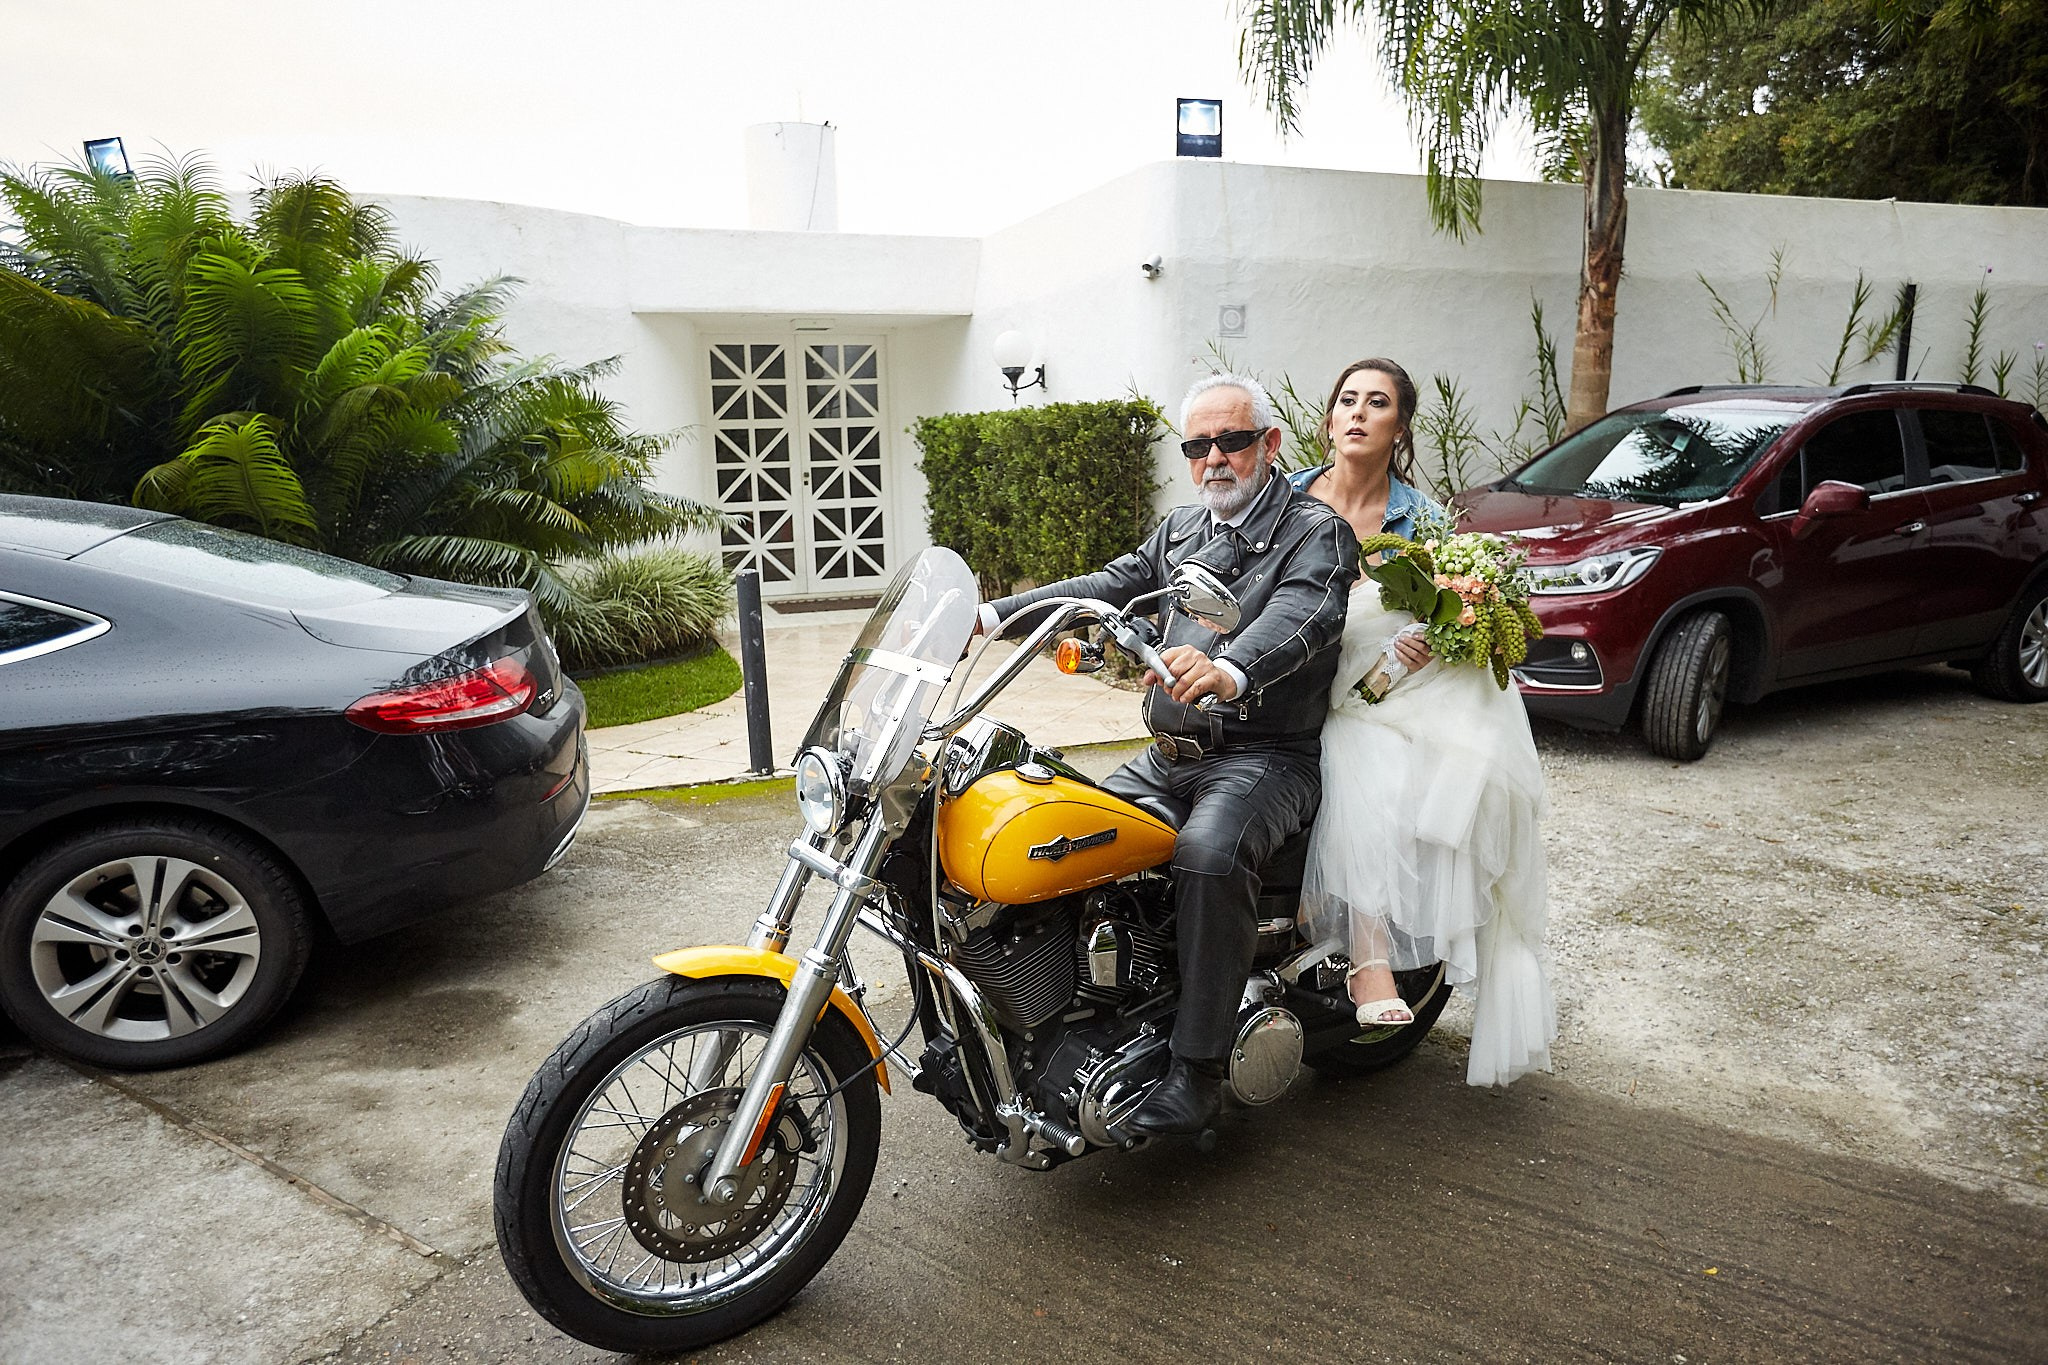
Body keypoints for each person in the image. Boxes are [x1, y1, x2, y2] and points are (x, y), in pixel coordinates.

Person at [977, 372, 1358, 1134]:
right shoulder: (1183, 530)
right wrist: (989, 615)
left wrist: (1230, 668)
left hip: (1263, 755)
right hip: (1169, 754)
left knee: (1209, 855)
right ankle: (1088, 1015)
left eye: (1232, 440)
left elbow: (1302, 613)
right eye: (1198, 445)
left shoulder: (1316, 533)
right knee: (1064, 837)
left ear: (1270, 444)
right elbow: (1107, 585)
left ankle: (1198, 1071)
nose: (1214, 457)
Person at [1292, 358, 1556, 1086]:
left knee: (1369, 761)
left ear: (1398, 426)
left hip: (1374, 686)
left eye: (1376, 403)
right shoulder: (1287, 499)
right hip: (1291, 671)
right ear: (1329, 418)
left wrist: (1414, 649)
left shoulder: (1426, 519)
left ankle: (1370, 961)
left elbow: (1444, 630)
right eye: (1346, 399)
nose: (1357, 412)